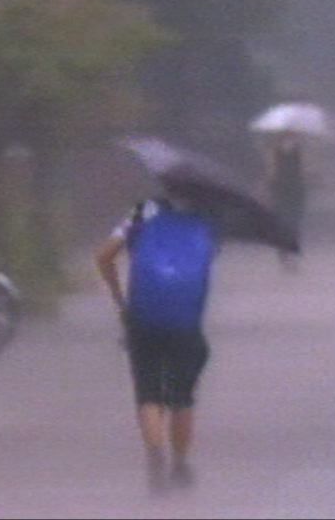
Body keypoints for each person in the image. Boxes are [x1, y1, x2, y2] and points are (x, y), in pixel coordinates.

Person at [96, 195, 215, 494]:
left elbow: (104, 256)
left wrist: (120, 299)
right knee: (183, 397)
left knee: (148, 390)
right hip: (186, 320)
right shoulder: (205, 215)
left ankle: (155, 453)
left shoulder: (140, 211)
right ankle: (179, 463)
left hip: (143, 315)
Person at [264, 131, 306, 269]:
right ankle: (284, 250)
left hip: (294, 189)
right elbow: (271, 171)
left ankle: (291, 250)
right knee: (285, 219)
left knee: (294, 220)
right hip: (282, 189)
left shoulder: (300, 151)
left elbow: (306, 170)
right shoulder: (273, 151)